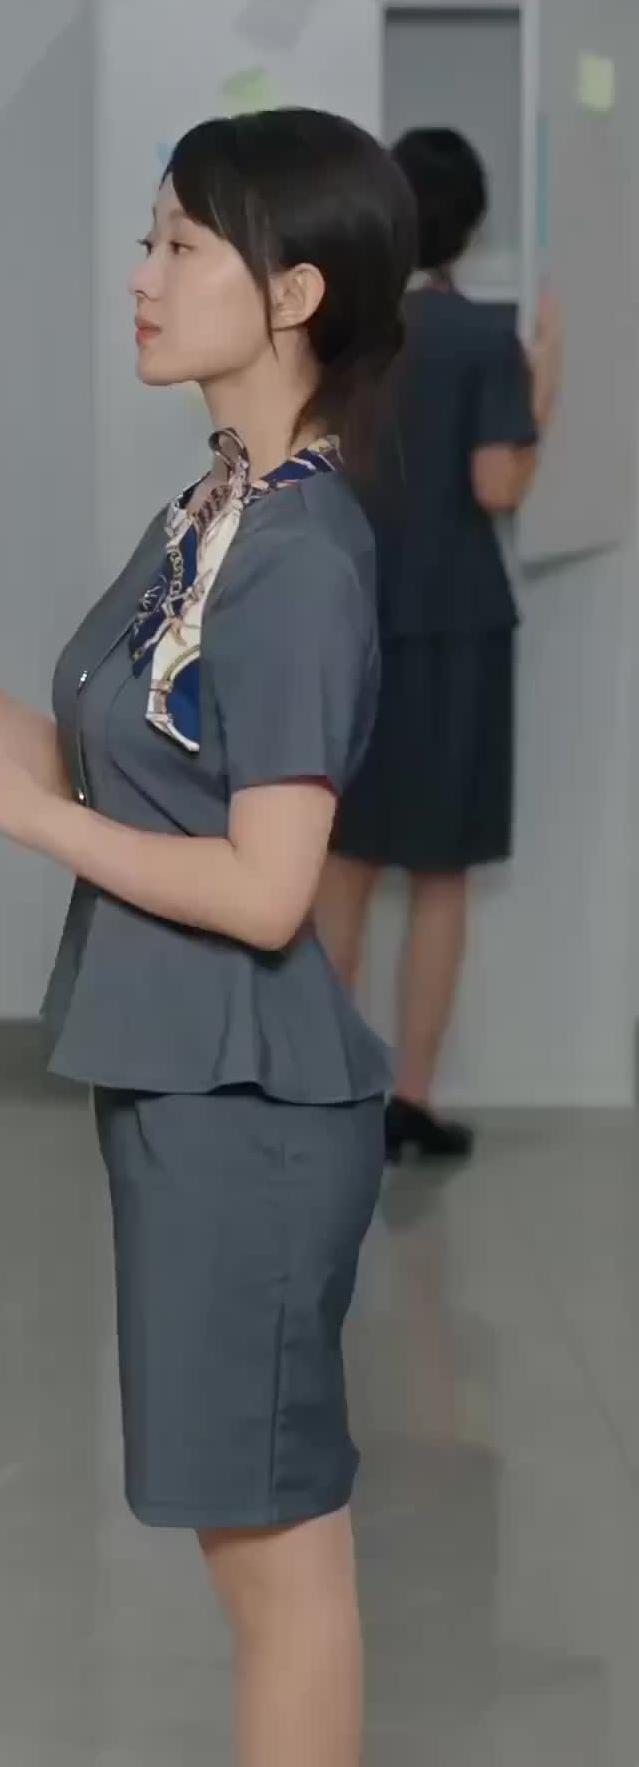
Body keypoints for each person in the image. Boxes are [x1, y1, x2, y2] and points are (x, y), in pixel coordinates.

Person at [0, 107, 415, 1767]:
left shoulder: (300, 558)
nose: (143, 276)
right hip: (191, 1096)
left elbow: (263, 888)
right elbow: (103, 774)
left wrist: (18, 817)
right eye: (149, 239)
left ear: (296, 292)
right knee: (250, 1543)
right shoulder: (215, 511)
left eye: (183, 244)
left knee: (277, 1564)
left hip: (252, 1115)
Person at [317, 127, 562, 1165]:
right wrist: (544, 388)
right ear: (472, 225)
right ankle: (409, 1101)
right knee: (439, 875)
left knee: (341, 866)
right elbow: (497, 486)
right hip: (456, 631)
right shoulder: (481, 339)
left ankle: (327, 1098)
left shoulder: (346, 333)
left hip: (349, 620)